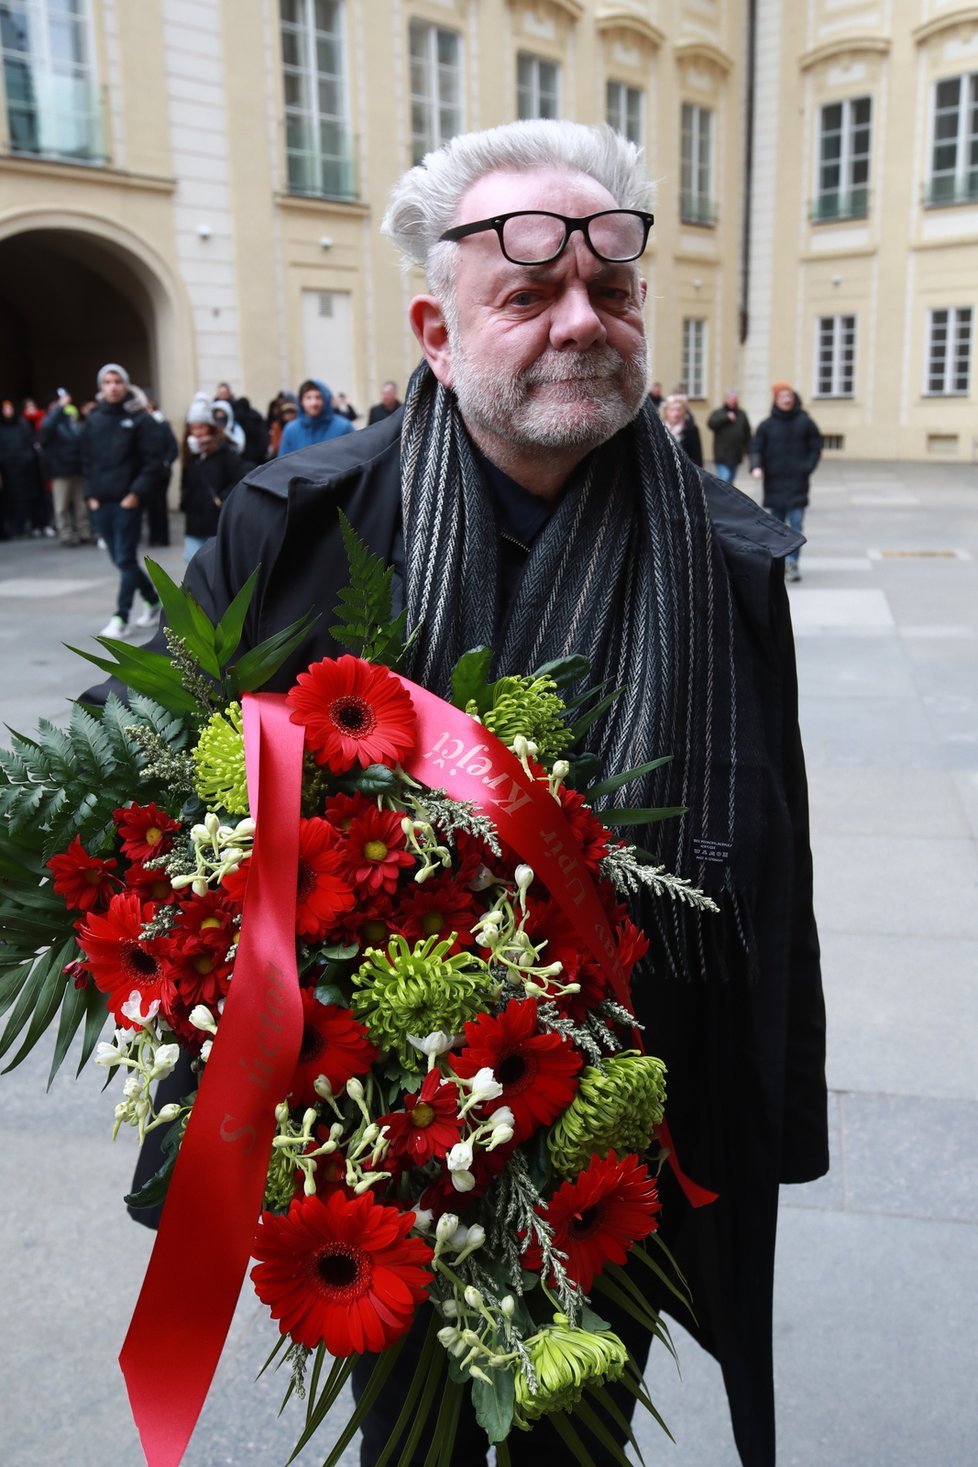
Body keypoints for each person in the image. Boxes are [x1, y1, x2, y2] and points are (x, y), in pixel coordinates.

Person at [123, 121, 825, 1467]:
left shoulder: (729, 557)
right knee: (413, 1435)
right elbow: (145, 782)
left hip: (629, 1137)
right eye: (528, 293)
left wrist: (774, 1109)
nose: (583, 322)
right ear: (434, 329)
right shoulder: (296, 522)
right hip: (370, 1137)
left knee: (582, 1432)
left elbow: (772, 865)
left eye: (611, 292)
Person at [79, 363, 162, 637]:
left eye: (117, 381)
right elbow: (87, 460)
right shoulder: (94, 419)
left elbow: (152, 461)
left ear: (125, 385)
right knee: (120, 559)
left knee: (125, 557)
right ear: (101, 386)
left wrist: (135, 493)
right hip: (101, 501)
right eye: (107, 382)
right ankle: (152, 600)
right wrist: (90, 494)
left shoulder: (140, 419)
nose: (112, 386)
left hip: (128, 500)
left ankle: (120, 616)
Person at [749, 382, 822, 583]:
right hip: (775, 482)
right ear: (776, 400)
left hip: (798, 482)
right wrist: (756, 465)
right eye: (782, 396)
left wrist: (808, 467)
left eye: (789, 396)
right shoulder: (767, 425)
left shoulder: (805, 422)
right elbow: (756, 448)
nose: (787, 399)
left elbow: (816, 446)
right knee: (777, 526)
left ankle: (793, 563)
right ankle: (779, 561)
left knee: (797, 524)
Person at [179, 392, 242, 562]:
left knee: (215, 562)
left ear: (210, 427)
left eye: (201, 427)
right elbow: (185, 482)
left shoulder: (224, 451)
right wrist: (184, 502)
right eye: (193, 427)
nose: (197, 432)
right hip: (194, 519)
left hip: (216, 518)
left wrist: (222, 498)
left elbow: (238, 479)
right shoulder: (190, 453)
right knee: (191, 560)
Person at [39, 389, 90, 544]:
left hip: (76, 469)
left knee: (81, 505)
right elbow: (46, 428)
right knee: (61, 507)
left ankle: (84, 532)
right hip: (60, 471)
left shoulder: (69, 421)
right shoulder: (49, 421)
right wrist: (59, 406)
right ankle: (65, 534)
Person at [0, 396, 44, 538]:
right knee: (11, 500)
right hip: (8, 471)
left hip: (25, 469)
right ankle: (15, 527)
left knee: (29, 497)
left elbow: (29, 442)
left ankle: (31, 525)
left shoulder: (22, 424)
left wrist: (26, 458)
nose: (8, 411)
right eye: (5, 409)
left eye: (10, 408)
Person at [276, 377, 355, 455]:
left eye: (318, 397)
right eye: (308, 398)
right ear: (301, 401)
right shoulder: (291, 430)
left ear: (326, 400)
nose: (313, 403)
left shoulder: (343, 427)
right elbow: (283, 464)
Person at [707, 388, 752, 484]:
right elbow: (711, 424)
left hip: (736, 454)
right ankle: (721, 498)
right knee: (725, 479)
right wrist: (726, 418)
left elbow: (747, 433)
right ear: (725, 399)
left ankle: (725, 498)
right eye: (730, 398)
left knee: (731, 481)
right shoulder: (719, 413)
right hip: (722, 454)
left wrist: (748, 450)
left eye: (734, 399)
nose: (732, 401)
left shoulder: (741, 414)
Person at [661, 391, 703, 466]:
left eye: (679, 409)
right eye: (672, 409)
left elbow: (696, 456)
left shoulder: (691, 429)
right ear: (666, 411)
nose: (676, 413)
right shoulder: (660, 428)